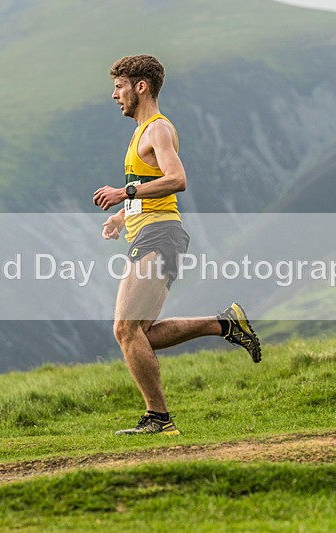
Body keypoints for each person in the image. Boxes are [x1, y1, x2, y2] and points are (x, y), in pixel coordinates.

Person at [93, 55, 261, 436]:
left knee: (124, 330)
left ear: (141, 87)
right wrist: (123, 216)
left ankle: (159, 419)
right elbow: (151, 186)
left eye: (119, 86)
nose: (114, 95)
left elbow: (177, 179)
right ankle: (225, 324)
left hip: (160, 235)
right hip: (151, 232)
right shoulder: (139, 134)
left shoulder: (158, 130)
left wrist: (124, 192)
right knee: (140, 334)